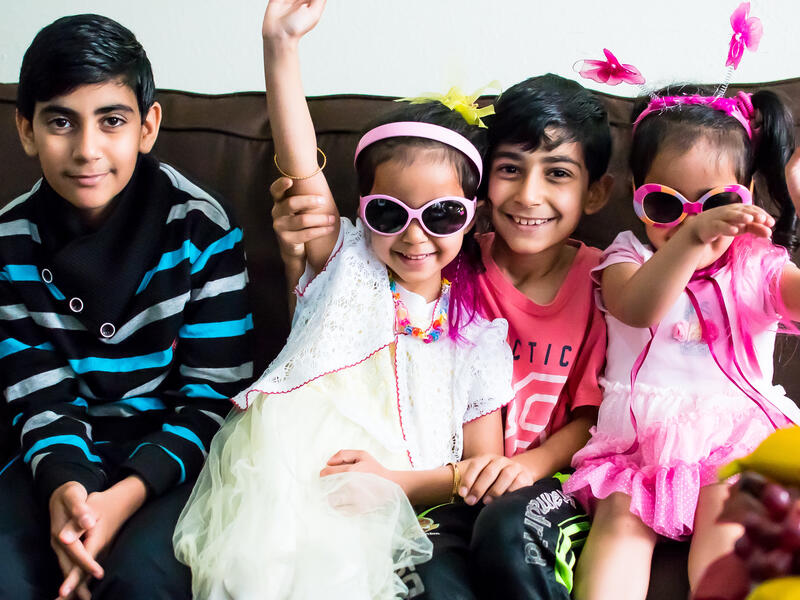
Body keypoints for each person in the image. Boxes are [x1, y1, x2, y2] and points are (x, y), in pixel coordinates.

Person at [172, 1, 513, 599]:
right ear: (360, 210)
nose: (415, 235)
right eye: (389, 213)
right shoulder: (346, 265)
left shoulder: (480, 334)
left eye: (441, 216)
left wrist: (395, 485)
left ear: (472, 217)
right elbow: (301, 166)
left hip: (396, 498)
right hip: (291, 474)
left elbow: (480, 466)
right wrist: (281, 46)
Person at [272, 74, 614, 599]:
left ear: (595, 193)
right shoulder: (445, 257)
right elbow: (327, 225)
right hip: (450, 487)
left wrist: (522, 467)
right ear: (479, 192)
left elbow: (595, 416)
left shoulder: (604, 280)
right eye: (509, 170)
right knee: (435, 577)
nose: (529, 195)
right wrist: (294, 257)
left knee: (505, 533)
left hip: (540, 482)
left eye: (557, 173)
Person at [0, 14, 254, 600]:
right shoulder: (11, 240)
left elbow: (213, 397)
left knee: (141, 580)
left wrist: (120, 501)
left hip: (173, 458)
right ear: (26, 129)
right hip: (57, 450)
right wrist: (68, 491)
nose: (87, 150)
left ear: (147, 126)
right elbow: (39, 397)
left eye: (111, 121)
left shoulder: (200, 229)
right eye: (61, 121)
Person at [563, 86, 800, 600]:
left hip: (735, 441)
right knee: (620, 523)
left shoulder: (757, 262)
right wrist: (692, 240)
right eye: (666, 205)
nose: (695, 221)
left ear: (750, 194)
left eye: (718, 203)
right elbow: (637, 309)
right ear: (636, 192)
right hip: (638, 447)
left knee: (732, 530)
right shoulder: (627, 256)